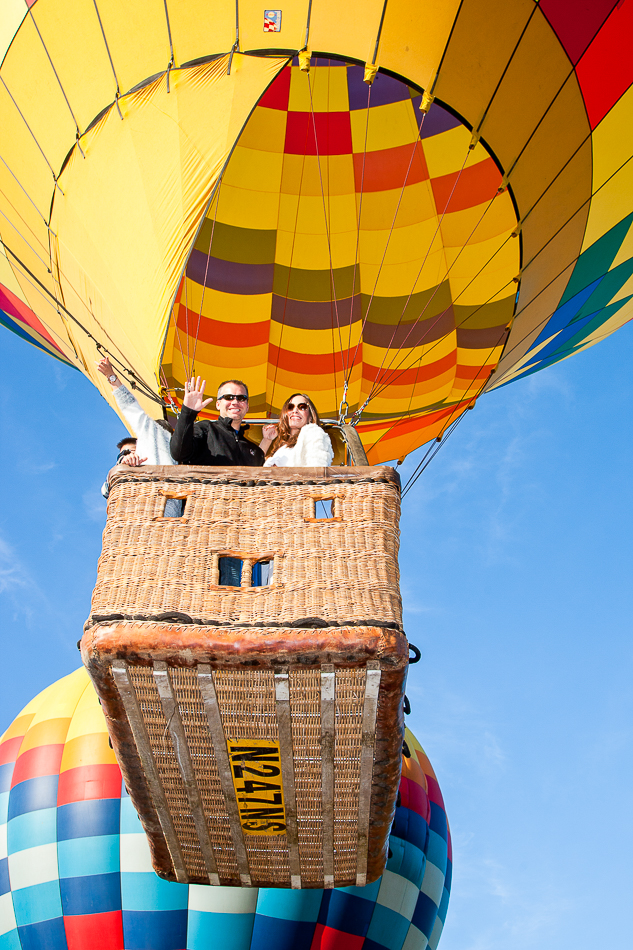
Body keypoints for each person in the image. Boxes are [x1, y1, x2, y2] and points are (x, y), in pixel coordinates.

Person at [97, 357, 181, 514]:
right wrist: (123, 466)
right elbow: (105, 490)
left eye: (130, 451)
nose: (129, 455)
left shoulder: (159, 443)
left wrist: (111, 377)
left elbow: (130, 407)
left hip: (160, 511)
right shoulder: (124, 467)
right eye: (123, 454)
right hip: (143, 514)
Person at [170, 377, 265, 467]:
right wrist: (188, 412)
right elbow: (179, 454)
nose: (235, 402)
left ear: (247, 406)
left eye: (241, 398)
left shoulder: (256, 452)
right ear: (218, 404)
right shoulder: (205, 429)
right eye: (229, 397)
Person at [260, 394, 333, 467]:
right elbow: (255, 470)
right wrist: (266, 440)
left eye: (302, 407)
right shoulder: (282, 446)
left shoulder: (314, 433)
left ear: (310, 416)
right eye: (290, 407)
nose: (295, 410)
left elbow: (317, 471)